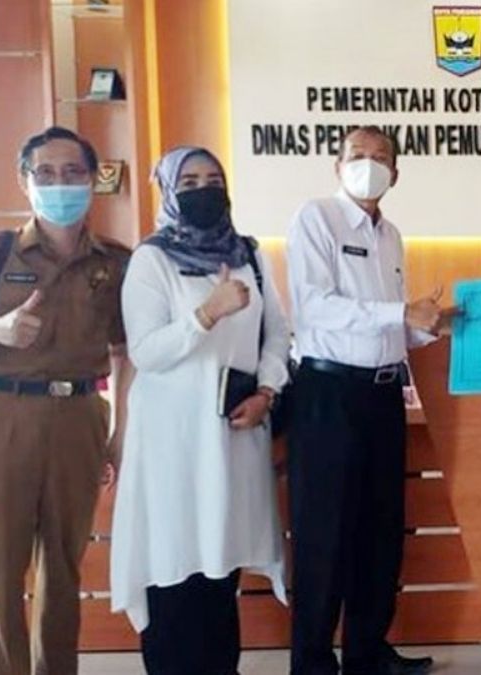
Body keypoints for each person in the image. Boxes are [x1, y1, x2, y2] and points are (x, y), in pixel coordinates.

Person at [0, 126, 133, 675]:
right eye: (45, 173)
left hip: (81, 415)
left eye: (72, 172)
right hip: (1, 413)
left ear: (93, 180)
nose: (60, 183)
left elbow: (124, 352)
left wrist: (119, 432)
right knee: (1, 568)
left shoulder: (115, 261)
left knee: (64, 565)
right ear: (24, 181)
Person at [110, 146, 290, 674]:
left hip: (234, 434)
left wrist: (267, 392)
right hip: (172, 443)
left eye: (213, 179)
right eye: (188, 182)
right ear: (168, 191)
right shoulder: (151, 259)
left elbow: (277, 334)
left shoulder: (250, 254)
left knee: (220, 567)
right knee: (174, 566)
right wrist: (207, 313)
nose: (203, 189)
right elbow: (147, 351)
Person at [286, 126, 441, 675]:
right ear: (338, 165)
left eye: (380, 158)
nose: (368, 165)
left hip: (382, 397)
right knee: (323, 535)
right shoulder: (316, 218)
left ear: (395, 174)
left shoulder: (391, 235)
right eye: (357, 155)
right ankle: (312, 662)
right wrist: (402, 314)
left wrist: (432, 324)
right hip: (328, 396)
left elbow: (391, 324)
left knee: (380, 531)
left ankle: (367, 653)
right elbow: (315, 307)